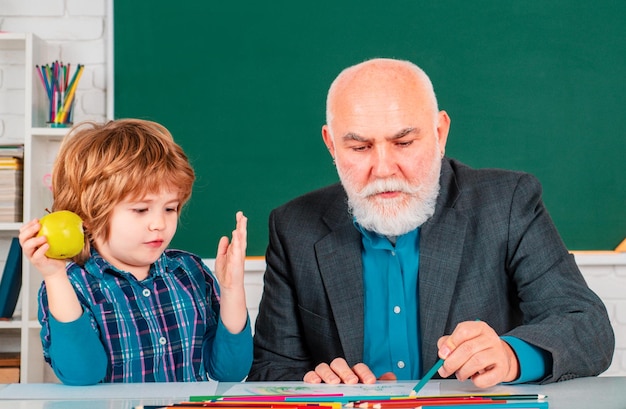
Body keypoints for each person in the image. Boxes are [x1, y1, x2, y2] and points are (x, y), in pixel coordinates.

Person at [247, 58, 614, 388]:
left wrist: (510, 356)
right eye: (359, 148)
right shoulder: (293, 227)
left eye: (404, 142)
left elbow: (587, 324)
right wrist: (317, 383)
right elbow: (271, 370)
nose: (384, 169)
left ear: (440, 133)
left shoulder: (507, 202)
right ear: (331, 145)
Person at [19, 119, 252, 384]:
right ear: (89, 214)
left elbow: (231, 371)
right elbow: (82, 375)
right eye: (141, 210)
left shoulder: (190, 272)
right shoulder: (70, 285)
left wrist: (232, 289)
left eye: (170, 208)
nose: (159, 224)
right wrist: (54, 277)